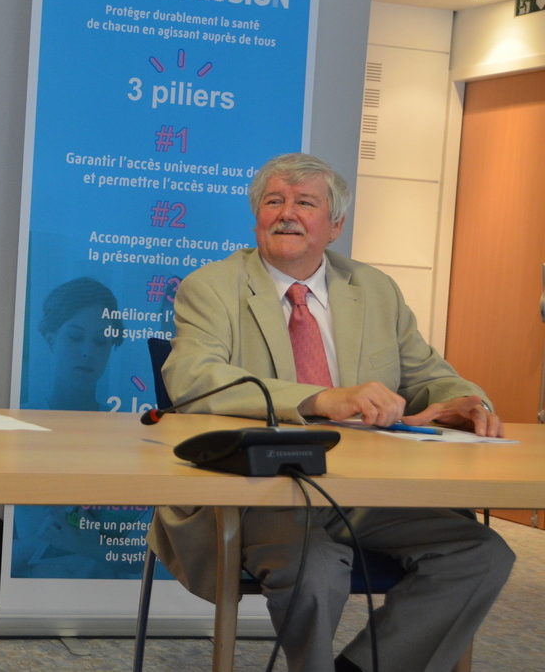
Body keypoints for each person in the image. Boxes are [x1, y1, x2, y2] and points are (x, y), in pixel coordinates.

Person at [146, 153, 514, 672]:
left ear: (335, 224)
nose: (286, 214)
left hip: (368, 490)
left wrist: (469, 402)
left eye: (305, 203)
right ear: (257, 218)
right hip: (260, 497)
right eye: (273, 201)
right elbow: (191, 379)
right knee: (317, 569)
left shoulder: (375, 290)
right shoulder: (213, 287)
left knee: (483, 554)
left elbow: (429, 376)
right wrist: (318, 399)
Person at [36, 276, 123, 411]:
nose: (87, 352)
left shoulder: (123, 426)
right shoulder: (20, 418)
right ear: (51, 340)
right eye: (75, 337)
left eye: (100, 341)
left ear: (111, 346)